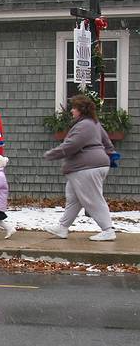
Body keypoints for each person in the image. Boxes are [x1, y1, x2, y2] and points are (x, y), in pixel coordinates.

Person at [43, 94, 117, 241]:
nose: (71, 111)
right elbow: (107, 143)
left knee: (93, 199)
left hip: (86, 168)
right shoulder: (94, 123)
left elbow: (71, 145)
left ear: (80, 110)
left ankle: (108, 230)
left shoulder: (84, 125)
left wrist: (51, 154)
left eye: (74, 108)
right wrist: (110, 155)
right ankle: (62, 228)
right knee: (73, 198)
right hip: (92, 165)